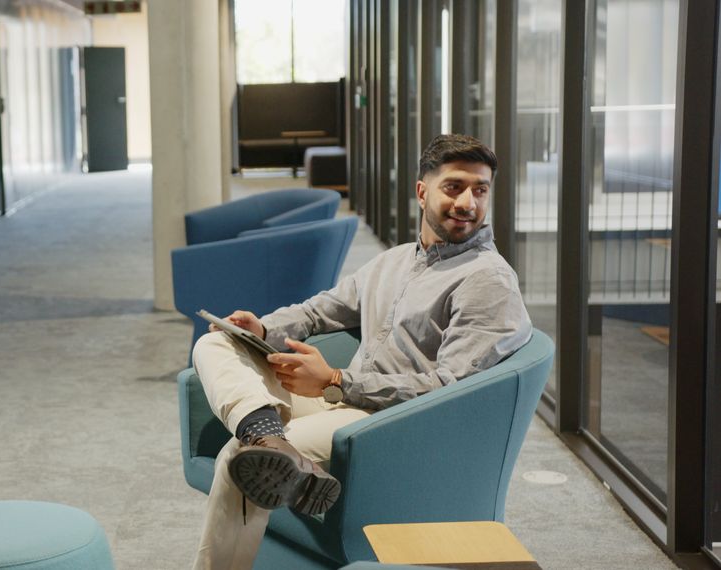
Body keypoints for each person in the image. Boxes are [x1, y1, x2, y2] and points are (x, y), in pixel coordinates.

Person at [189, 134, 532, 570]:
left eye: (480, 190)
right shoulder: (394, 261)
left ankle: (264, 446)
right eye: (454, 187)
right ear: (422, 191)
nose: (468, 202)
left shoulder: (487, 280)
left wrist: (334, 381)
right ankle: (269, 437)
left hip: (389, 421)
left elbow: (450, 388)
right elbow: (318, 311)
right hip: (341, 400)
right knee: (216, 341)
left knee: (239, 459)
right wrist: (263, 327)